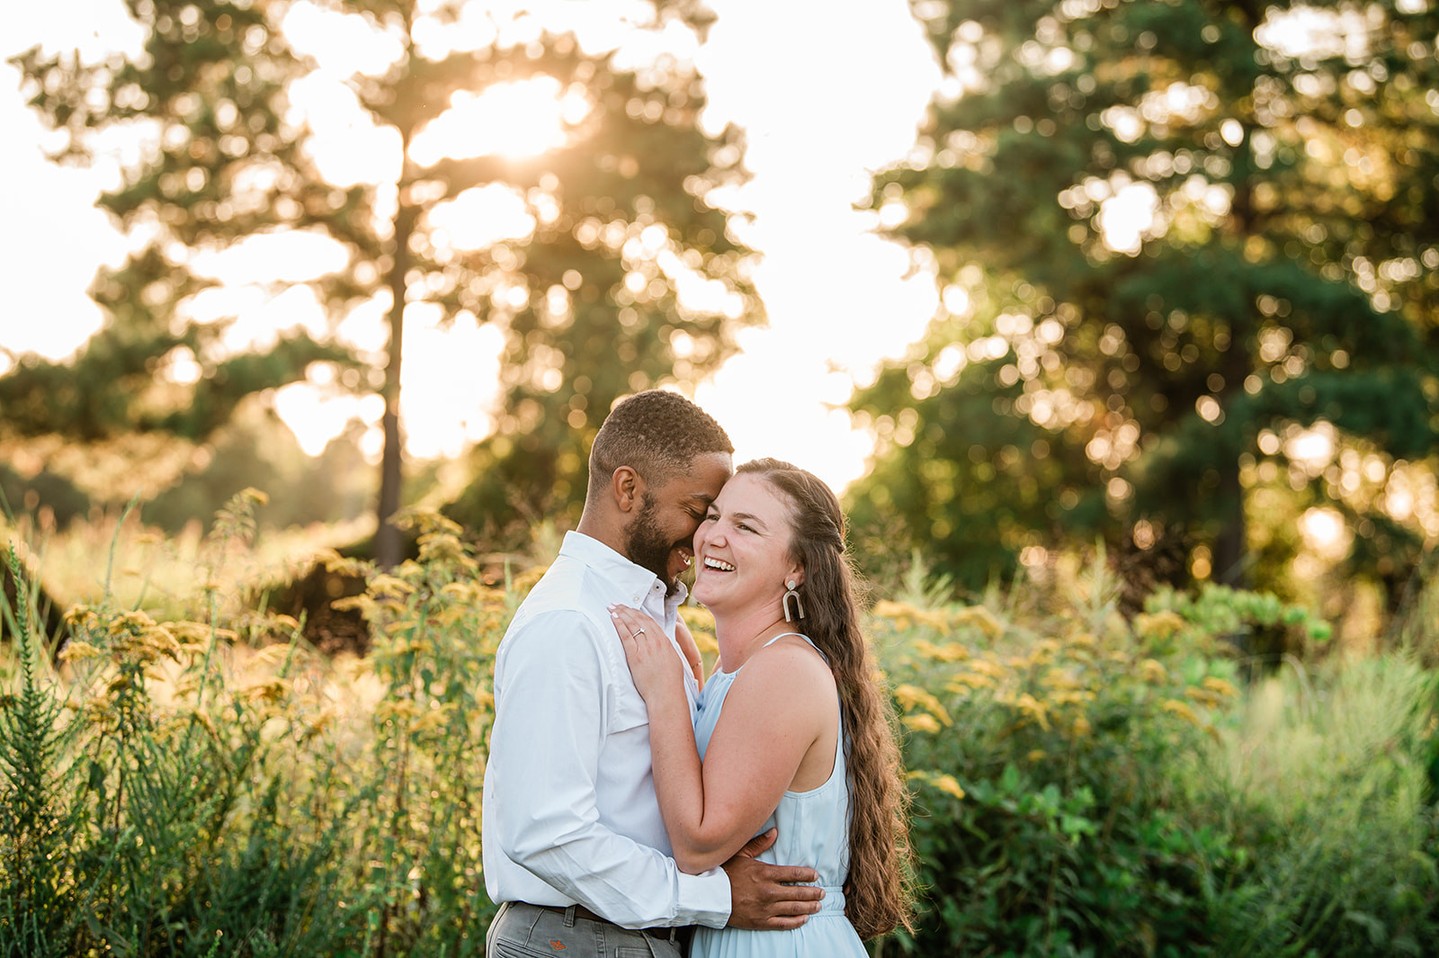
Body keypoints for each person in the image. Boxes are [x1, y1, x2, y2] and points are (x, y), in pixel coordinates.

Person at [482, 393, 826, 958]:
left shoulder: (650, 619)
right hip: (576, 939)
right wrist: (712, 895)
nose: (703, 537)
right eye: (700, 511)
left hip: (619, 936)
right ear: (628, 489)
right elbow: (544, 832)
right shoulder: (570, 622)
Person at [608, 458, 916, 956]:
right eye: (713, 515)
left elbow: (697, 844)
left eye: (745, 526)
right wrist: (691, 690)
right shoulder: (748, 671)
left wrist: (665, 691)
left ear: (797, 568)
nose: (713, 536)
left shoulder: (784, 671)